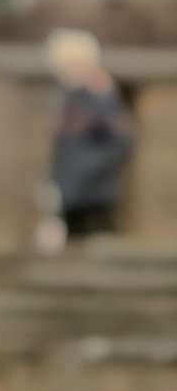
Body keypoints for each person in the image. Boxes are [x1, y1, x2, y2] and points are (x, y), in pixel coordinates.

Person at [45, 29, 135, 240]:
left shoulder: (101, 96)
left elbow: (121, 138)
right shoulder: (67, 96)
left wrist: (92, 171)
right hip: (71, 192)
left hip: (96, 192)